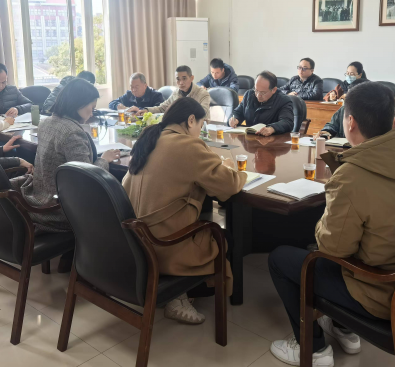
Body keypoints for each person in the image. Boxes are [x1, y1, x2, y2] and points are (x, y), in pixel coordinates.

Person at [268, 82, 395, 366]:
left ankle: (313, 349)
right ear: (393, 119)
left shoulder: (351, 176)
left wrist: (323, 221)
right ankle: (345, 329)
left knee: (281, 259)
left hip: (379, 290)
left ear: (350, 122)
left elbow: (333, 250)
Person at [123, 97, 246, 324]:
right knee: (224, 238)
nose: (200, 131)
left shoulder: (149, 136)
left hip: (132, 240)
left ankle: (176, 290)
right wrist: (230, 167)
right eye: (201, 125)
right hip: (162, 245)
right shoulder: (188, 145)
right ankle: (177, 294)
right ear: (190, 120)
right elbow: (228, 185)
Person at [21, 79, 120, 237]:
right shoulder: (73, 132)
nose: (92, 113)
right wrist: (104, 160)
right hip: (61, 211)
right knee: (119, 203)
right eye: (91, 107)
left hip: (39, 200)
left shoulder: (46, 122)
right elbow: (87, 179)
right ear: (79, 104)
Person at [230, 71, 294, 136]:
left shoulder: (283, 100)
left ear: (274, 90)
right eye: (256, 90)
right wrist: (235, 119)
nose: (258, 95)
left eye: (263, 93)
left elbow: (287, 122)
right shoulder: (249, 95)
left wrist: (272, 128)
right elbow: (237, 112)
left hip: (271, 139)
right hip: (250, 138)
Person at [139, 66, 211, 119]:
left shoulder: (202, 94)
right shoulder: (176, 93)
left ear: (192, 78)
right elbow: (162, 108)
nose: (181, 82)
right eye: (178, 79)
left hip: (199, 129)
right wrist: (147, 110)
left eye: (184, 78)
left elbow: (203, 114)